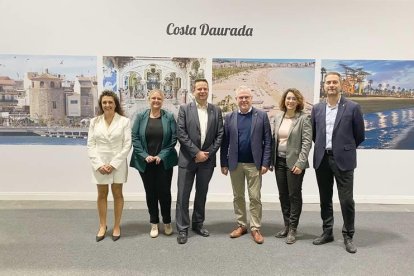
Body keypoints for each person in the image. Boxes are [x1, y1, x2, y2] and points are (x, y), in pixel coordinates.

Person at [311, 72, 365, 253]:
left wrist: (344, 148)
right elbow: (314, 134)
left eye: (335, 82)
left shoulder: (353, 107)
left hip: (343, 159)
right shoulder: (317, 109)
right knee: (325, 199)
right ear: (324, 86)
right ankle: (327, 232)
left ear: (340, 85)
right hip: (322, 159)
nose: (331, 85)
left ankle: (348, 235)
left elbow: (359, 135)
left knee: (346, 200)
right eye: (328, 82)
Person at [220, 85, 272, 244]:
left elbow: (268, 141)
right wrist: (223, 162)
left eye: (246, 97)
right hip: (235, 164)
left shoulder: (261, 116)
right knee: (238, 196)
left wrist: (265, 162)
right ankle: (241, 225)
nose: (243, 100)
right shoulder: (229, 117)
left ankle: (255, 228)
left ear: (251, 99)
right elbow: (225, 142)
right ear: (236, 100)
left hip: (255, 164)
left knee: (255, 197)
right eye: (240, 97)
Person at [175, 78, 224, 244]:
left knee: (201, 194)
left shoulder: (216, 110)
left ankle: (197, 224)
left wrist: (207, 154)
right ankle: (182, 229)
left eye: (205, 88)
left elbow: (220, 135)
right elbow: (181, 133)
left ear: (208, 90)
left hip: (207, 161)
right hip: (188, 160)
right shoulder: (184, 109)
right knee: (183, 195)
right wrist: (196, 153)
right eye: (199, 89)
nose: (202, 91)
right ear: (193, 91)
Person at [130, 89, 178, 238]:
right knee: (150, 193)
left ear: (162, 101)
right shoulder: (140, 116)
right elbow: (135, 137)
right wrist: (145, 155)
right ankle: (154, 223)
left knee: (165, 193)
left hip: (164, 162)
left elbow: (173, 138)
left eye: (159, 99)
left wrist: (161, 155)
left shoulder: (169, 117)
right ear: (148, 99)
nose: (156, 101)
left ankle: (167, 222)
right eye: (153, 98)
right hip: (145, 163)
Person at [87, 90, 131, 242]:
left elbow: (127, 145)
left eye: (110, 102)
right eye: (104, 102)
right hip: (99, 163)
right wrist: (99, 164)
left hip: (117, 163)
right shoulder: (94, 122)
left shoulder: (124, 121)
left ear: (115, 104)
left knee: (118, 194)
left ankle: (117, 226)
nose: (107, 105)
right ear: (101, 104)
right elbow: (91, 145)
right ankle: (102, 225)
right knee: (102, 194)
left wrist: (113, 164)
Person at [272, 88, 312, 244]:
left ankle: (293, 229)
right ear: (284, 100)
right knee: (283, 195)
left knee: (294, 195)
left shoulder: (304, 118)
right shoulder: (278, 117)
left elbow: (307, 143)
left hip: (295, 163)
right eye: (288, 98)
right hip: (279, 162)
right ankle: (286, 225)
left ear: (298, 101)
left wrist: (301, 163)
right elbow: (274, 140)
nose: (290, 101)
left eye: (294, 99)